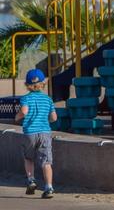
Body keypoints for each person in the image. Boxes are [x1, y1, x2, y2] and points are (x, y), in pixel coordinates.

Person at [15, 68, 57, 199]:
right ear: (43, 83)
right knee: (46, 161)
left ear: (27, 85)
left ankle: (31, 180)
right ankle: (49, 187)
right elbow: (54, 118)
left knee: (28, 157)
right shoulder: (48, 99)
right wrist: (46, 119)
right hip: (45, 132)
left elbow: (24, 111)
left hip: (30, 133)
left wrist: (17, 117)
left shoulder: (26, 98)